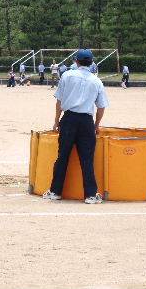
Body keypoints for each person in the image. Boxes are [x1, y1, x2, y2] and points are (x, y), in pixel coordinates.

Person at [43, 49, 109, 204]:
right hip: (86, 120)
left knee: (62, 156)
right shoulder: (96, 81)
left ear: (76, 61)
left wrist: (56, 121)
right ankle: (91, 195)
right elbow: (101, 107)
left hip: (69, 118)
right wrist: (96, 125)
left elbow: (59, 101)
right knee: (87, 159)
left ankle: (55, 191)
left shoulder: (67, 75)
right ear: (92, 63)